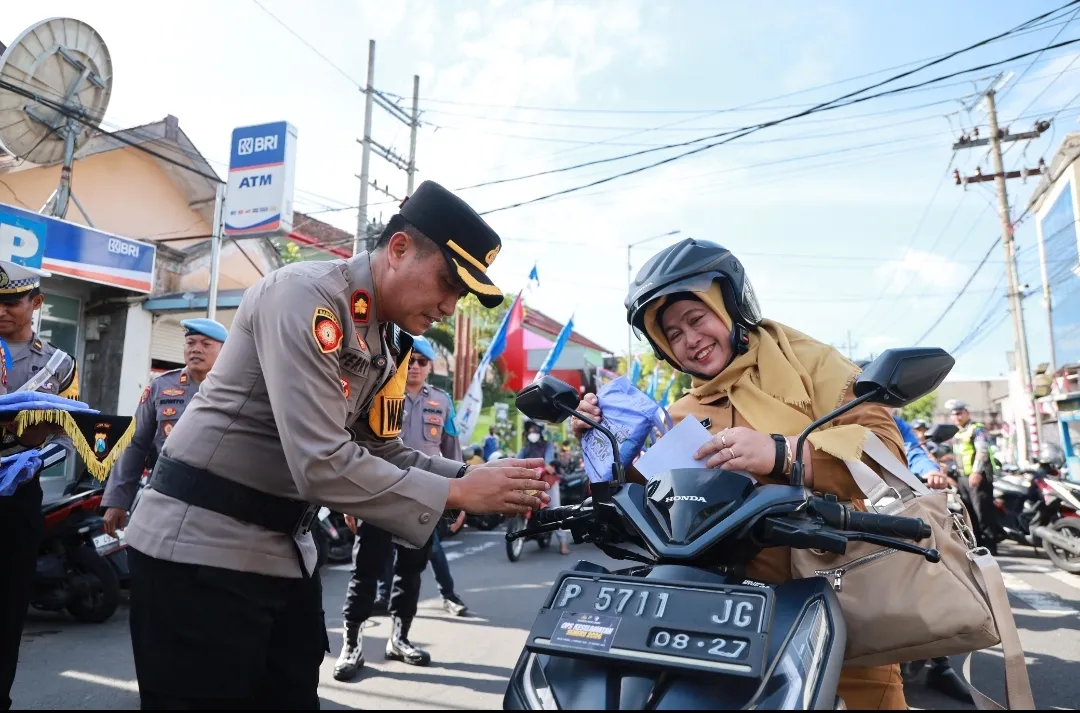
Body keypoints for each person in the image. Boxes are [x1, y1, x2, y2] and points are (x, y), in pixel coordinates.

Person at [120, 180, 550, 709]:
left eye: (460, 294)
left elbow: (378, 447)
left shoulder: (385, 337)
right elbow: (321, 461)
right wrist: (459, 495)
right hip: (199, 553)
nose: (448, 305)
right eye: (446, 282)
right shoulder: (306, 297)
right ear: (397, 249)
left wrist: (475, 478)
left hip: (280, 555)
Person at [572, 238, 911, 709]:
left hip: (833, 592)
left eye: (697, 319)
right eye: (673, 334)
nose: (690, 339)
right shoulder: (681, 413)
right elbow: (657, 507)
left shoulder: (811, 364)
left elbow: (887, 457)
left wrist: (780, 453)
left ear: (731, 308)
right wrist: (603, 448)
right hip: (717, 614)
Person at [334, 335, 469, 681]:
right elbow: (354, 444)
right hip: (379, 495)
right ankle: (352, 644)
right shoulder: (379, 392)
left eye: (424, 362)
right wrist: (350, 497)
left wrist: (463, 493)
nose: (417, 368)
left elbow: (452, 452)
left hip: (423, 498)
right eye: (413, 361)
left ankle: (399, 638)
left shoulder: (441, 402)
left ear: (430, 368)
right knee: (364, 572)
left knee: (410, 573)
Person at [0, 261, 78, 711]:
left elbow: (71, 436)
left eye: (11, 302)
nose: (2, 312)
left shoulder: (58, 365)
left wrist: (31, 452)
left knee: (9, 609)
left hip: (18, 498)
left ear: (36, 303)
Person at [101, 318, 228, 537]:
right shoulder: (162, 386)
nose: (196, 349)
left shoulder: (236, 388)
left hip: (219, 502)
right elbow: (135, 443)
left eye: (205, 344)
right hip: (165, 495)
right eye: (190, 343)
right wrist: (118, 500)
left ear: (225, 351)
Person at [946, 399, 1001, 556]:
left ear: (967, 413)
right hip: (962, 479)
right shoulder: (957, 432)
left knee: (983, 513)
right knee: (969, 515)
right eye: (953, 414)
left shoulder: (977, 429)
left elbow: (982, 451)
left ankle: (991, 548)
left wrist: (976, 472)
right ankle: (977, 546)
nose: (956, 417)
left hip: (978, 478)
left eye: (959, 413)